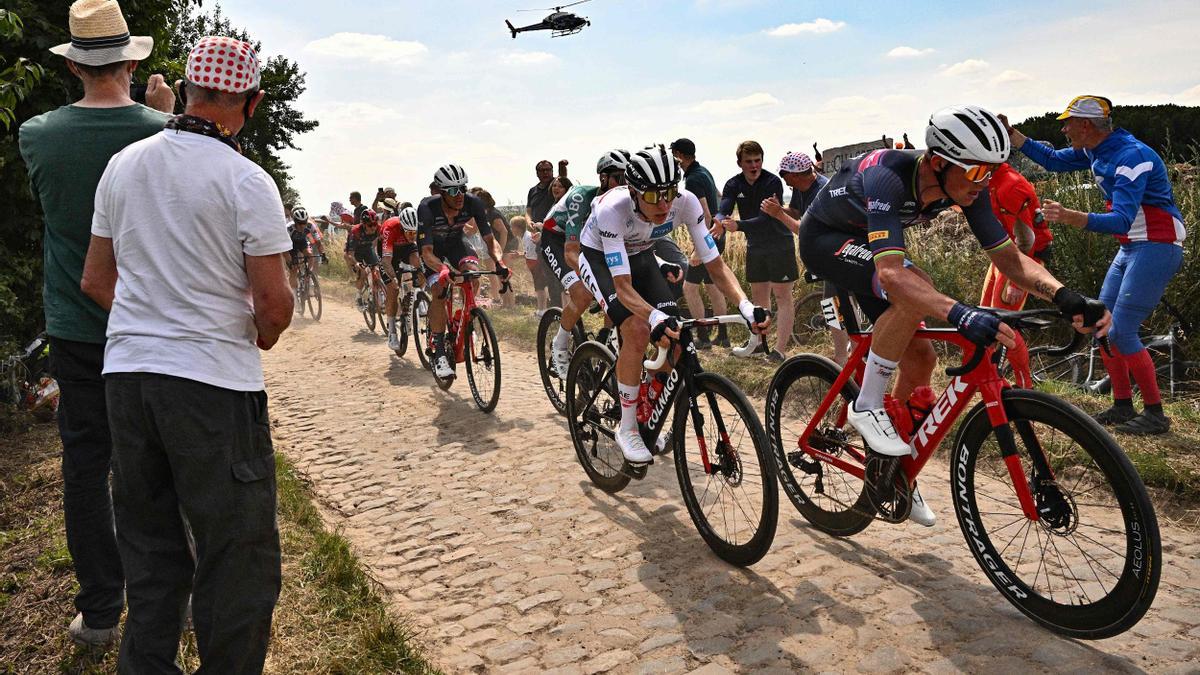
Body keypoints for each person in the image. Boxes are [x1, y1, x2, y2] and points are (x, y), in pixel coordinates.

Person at [80, 35, 293, 671]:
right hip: (212, 389)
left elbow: (94, 280)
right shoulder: (247, 180)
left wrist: (148, 327)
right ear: (249, 103)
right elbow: (274, 306)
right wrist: (252, 336)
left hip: (127, 381)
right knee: (237, 560)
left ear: (191, 91)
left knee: (149, 555)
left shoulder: (123, 164)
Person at [799, 104, 1110, 527]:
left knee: (923, 359)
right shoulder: (888, 175)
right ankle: (867, 405)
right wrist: (960, 313)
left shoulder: (968, 188)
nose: (987, 184)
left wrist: (1065, 296)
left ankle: (892, 472)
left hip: (869, 246)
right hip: (825, 240)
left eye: (994, 172)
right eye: (980, 172)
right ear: (941, 161)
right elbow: (891, 273)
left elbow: (1010, 260)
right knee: (914, 284)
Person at [17, 0, 175, 647]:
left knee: (85, 465)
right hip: (146, 323)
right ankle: (172, 598)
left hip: (76, 327)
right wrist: (165, 113)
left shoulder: (36, 135)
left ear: (75, 65)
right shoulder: (161, 130)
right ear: (131, 62)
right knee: (157, 462)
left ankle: (102, 611)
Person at [1002, 96, 1186, 435]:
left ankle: (1156, 414)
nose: (1063, 128)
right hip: (1133, 247)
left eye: (1068, 123)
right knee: (1099, 320)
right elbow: (1055, 161)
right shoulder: (1096, 149)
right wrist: (1014, 137)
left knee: (1122, 330)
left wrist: (1073, 217)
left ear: (1086, 126)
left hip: (1158, 245)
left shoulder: (1132, 157)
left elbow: (1120, 220)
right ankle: (1121, 405)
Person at [577, 146, 770, 463]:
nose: (664, 204)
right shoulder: (613, 209)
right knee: (638, 329)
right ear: (634, 192)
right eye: (653, 196)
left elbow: (716, 266)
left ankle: (648, 401)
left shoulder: (687, 202)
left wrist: (746, 306)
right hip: (598, 256)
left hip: (640, 254)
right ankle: (628, 428)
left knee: (677, 337)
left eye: (669, 192)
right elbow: (623, 287)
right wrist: (653, 318)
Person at [542, 149, 630, 378]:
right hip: (556, 239)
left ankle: (605, 336)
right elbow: (571, 253)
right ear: (603, 178)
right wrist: (592, 281)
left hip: (587, 240)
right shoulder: (581, 196)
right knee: (582, 293)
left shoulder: (622, 203)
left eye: (628, 179)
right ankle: (559, 346)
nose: (625, 184)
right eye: (620, 178)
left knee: (618, 286)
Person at [418, 164, 510, 379]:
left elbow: (490, 239)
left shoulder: (473, 202)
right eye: (452, 190)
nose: (459, 195)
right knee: (440, 288)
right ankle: (439, 348)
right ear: (441, 192)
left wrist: (500, 262)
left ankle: (466, 316)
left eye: (462, 188)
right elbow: (426, 252)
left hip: (457, 243)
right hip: (433, 250)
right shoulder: (427, 208)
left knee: (473, 275)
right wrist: (442, 269)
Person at [764, 150, 847, 364]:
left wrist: (778, 215)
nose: (786, 183)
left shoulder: (822, 190)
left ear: (792, 176)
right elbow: (795, 211)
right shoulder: (802, 187)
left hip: (841, 255)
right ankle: (845, 354)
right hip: (831, 256)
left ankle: (845, 356)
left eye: (785, 178)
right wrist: (780, 208)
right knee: (833, 304)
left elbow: (805, 230)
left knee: (835, 305)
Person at [714, 141, 795, 362]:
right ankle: (760, 344)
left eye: (757, 160)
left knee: (782, 296)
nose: (754, 165)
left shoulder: (772, 182)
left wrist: (738, 226)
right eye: (749, 161)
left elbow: (765, 219)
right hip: (756, 246)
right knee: (759, 299)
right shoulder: (733, 184)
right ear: (739, 163)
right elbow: (724, 210)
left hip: (779, 244)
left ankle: (779, 349)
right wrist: (719, 222)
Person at [671, 138, 728, 349]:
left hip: (707, 239)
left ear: (679, 155)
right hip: (717, 236)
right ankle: (723, 336)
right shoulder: (704, 171)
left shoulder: (693, 179)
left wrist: (697, 249)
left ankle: (703, 337)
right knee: (713, 287)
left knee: (690, 289)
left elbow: (703, 215)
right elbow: (720, 197)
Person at [978, 162, 1054, 310]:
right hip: (1006, 252)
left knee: (1002, 322)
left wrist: (1017, 283)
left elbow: (1026, 239)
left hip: (1023, 258)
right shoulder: (992, 179)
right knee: (984, 315)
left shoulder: (1009, 186)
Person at [344, 208, 399, 317]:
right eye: (370, 225)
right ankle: (359, 296)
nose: (373, 227)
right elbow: (350, 254)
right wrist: (356, 264)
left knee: (377, 268)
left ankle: (376, 291)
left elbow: (385, 242)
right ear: (364, 225)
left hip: (368, 250)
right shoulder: (356, 232)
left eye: (375, 224)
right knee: (363, 272)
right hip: (355, 253)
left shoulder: (379, 228)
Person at [380, 206, 422, 350]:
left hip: (406, 248)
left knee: (419, 264)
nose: (412, 235)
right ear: (402, 227)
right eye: (409, 232)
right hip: (389, 252)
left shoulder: (416, 230)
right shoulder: (391, 228)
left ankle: (420, 296)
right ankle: (392, 333)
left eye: (414, 232)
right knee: (393, 290)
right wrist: (394, 278)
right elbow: (386, 261)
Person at [286, 205, 326, 294]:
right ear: (295, 222)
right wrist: (289, 261)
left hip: (302, 242)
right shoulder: (289, 227)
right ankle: (294, 294)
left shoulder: (310, 225)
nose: (302, 226)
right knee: (294, 270)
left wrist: (323, 254)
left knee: (310, 255)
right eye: (300, 223)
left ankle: (308, 276)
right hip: (290, 245)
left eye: (304, 223)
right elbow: (284, 249)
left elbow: (318, 242)